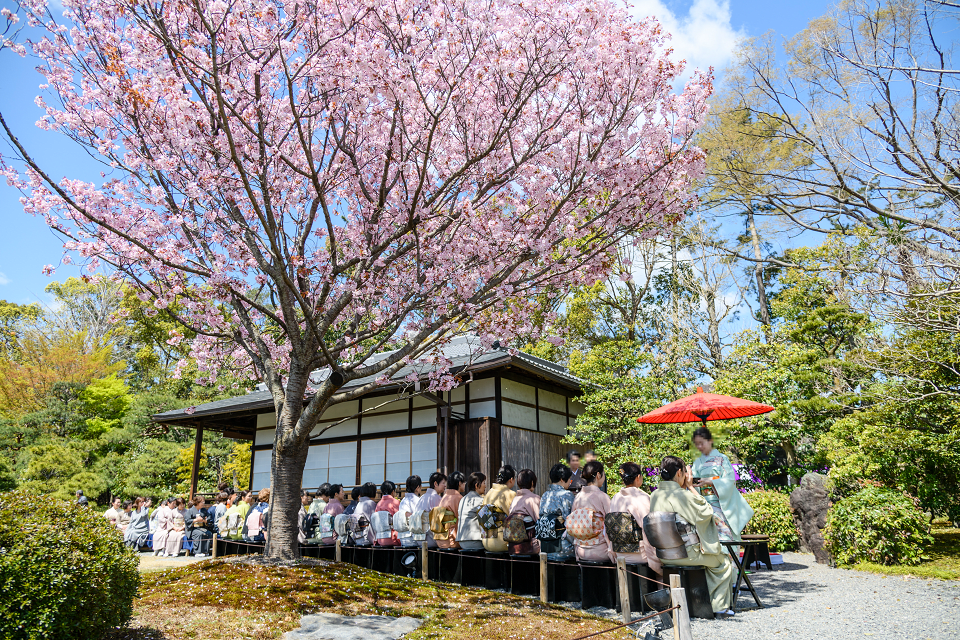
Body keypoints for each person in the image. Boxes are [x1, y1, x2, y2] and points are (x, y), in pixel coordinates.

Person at [649, 455, 735, 617]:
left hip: (664, 554)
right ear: (680, 473)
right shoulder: (682, 495)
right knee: (722, 562)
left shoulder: (655, 495)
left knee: (712, 558)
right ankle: (716, 606)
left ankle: (699, 602)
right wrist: (691, 487)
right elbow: (706, 512)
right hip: (686, 554)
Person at [691, 427, 754, 543]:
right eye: (696, 444)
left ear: (710, 441)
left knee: (725, 535)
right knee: (708, 537)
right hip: (704, 503)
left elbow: (730, 480)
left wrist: (711, 481)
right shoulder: (697, 462)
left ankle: (730, 560)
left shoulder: (721, 459)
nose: (699, 447)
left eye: (701, 443)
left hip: (721, 503)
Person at [610, 462, 661, 575]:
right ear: (638, 477)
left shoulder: (615, 498)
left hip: (619, 553)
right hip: (640, 555)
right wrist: (655, 559)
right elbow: (650, 530)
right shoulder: (641, 497)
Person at [570, 461, 614, 563]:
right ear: (598, 475)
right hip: (601, 551)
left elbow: (573, 525)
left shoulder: (578, 497)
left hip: (581, 551)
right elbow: (611, 525)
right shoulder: (602, 497)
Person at [539, 463, 575, 560]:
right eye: (570, 480)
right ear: (563, 479)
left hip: (546, 547)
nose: (570, 483)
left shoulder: (545, 495)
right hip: (564, 548)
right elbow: (571, 522)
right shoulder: (567, 495)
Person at [481, 465, 517, 553]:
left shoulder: (489, 493)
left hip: (486, 541)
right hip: (503, 542)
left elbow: (483, 519)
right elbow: (515, 519)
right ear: (511, 479)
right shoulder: (510, 494)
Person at [508, 468, 540, 554]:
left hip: (513, 546)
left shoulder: (515, 500)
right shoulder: (534, 498)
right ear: (532, 483)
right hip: (530, 547)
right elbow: (539, 520)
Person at [456, 472, 486, 550]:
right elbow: (487, 521)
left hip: (461, 540)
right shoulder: (480, 500)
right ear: (476, 485)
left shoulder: (463, 499)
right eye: (484, 483)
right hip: (475, 541)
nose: (485, 486)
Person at [435, 471, 465, 549]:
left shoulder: (444, 497)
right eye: (464, 482)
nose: (465, 484)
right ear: (459, 483)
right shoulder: (459, 498)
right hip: (452, 541)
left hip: (440, 540)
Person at [417, 472, 446, 548]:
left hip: (418, 538)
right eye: (443, 483)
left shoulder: (422, 498)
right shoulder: (436, 498)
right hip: (430, 539)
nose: (445, 485)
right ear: (435, 484)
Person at [397, 475, 423, 548]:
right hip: (414, 538)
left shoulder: (402, 501)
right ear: (418, 488)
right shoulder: (419, 501)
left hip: (402, 538)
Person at [373, 480, 401, 546]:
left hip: (380, 538)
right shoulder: (395, 502)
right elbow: (399, 522)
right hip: (393, 538)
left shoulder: (379, 504)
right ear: (393, 492)